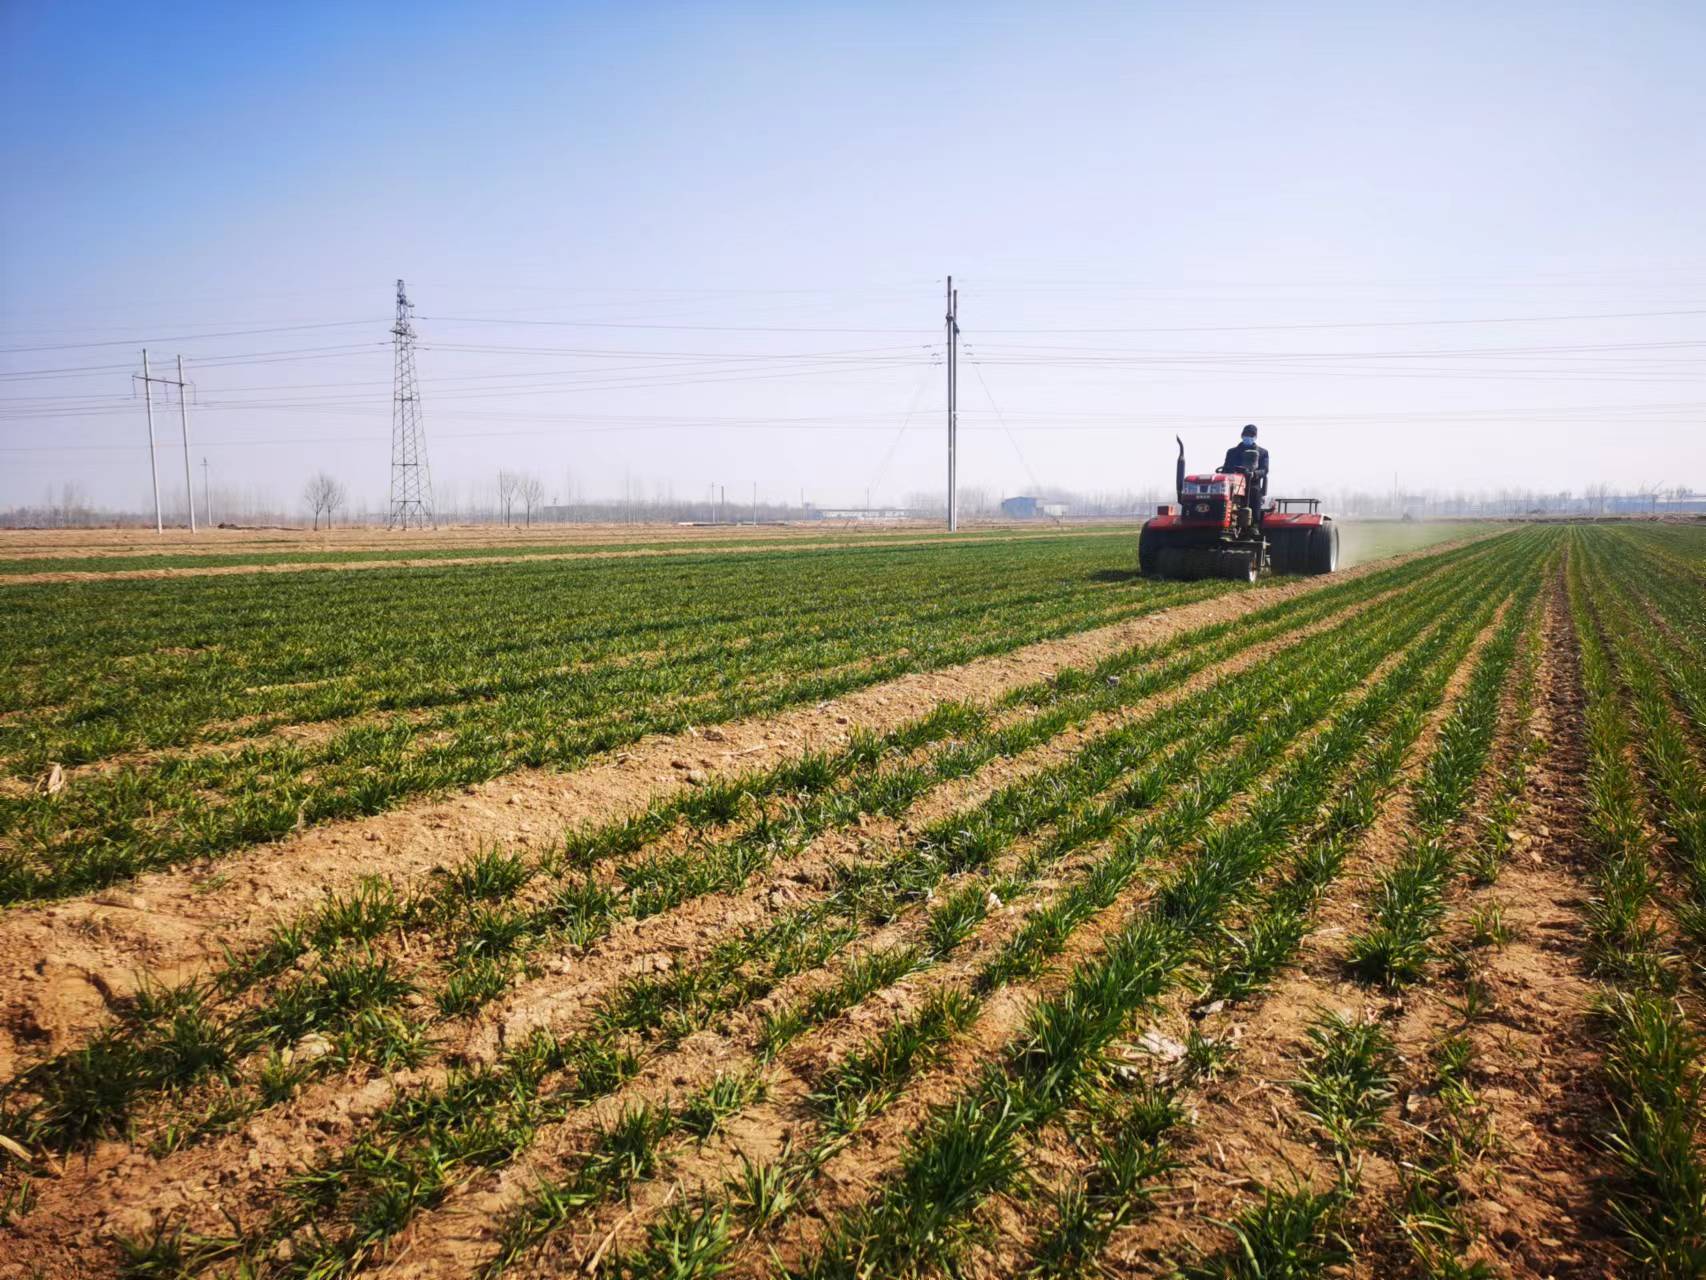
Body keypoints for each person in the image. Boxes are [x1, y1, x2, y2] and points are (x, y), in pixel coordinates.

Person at [1222, 423, 1269, 524]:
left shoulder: (1262, 452)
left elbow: (1264, 470)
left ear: (1255, 437)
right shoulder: (1232, 452)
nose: (1248, 437)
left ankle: (1254, 526)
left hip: (1252, 483)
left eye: (1251, 435)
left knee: (1255, 494)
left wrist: (1254, 474)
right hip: (1233, 484)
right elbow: (1225, 469)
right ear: (1242, 435)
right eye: (1246, 434)